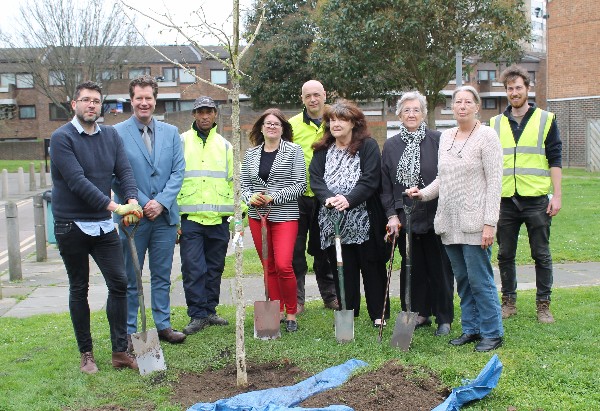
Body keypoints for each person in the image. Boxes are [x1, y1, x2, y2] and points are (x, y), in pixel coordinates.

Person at [50, 81, 141, 373]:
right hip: (71, 225)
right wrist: (116, 207)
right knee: (79, 288)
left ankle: (119, 351)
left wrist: (132, 200)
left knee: (120, 284)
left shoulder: (111, 135)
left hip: (103, 227)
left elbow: (124, 170)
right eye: (86, 100)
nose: (92, 105)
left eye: (96, 101)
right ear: (74, 104)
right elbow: (77, 181)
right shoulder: (61, 138)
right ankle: (86, 354)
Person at [406, 86, 504, 352]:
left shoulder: (487, 137)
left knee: (480, 280)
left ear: (476, 107)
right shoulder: (447, 137)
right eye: (457, 101)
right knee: (462, 280)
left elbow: (495, 184)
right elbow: (442, 179)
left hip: (475, 223)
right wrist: (422, 194)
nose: (461, 106)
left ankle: (492, 332)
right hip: (448, 222)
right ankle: (471, 329)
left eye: (467, 102)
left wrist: (489, 223)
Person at [113, 75, 186, 347]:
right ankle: (132, 332)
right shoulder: (117, 134)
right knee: (131, 277)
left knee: (161, 275)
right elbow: (115, 175)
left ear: (156, 100)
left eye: (148, 98)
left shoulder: (170, 133)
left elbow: (178, 171)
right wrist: (145, 203)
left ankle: (163, 325)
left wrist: (162, 202)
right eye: (138, 98)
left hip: (165, 218)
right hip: (134, 219)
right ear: (131, 100)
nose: (144, 103)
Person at [491, 65, 562, 324]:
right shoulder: (495, 124)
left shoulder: (546, 119)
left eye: (518, 87)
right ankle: (508, 301)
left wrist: (557, 195)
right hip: (506, 199)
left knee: (541, 254)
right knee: (505, 254)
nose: (514, 92)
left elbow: (555, 158)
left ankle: (543, 304)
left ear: (527, 88)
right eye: (509, 89)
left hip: (536, 199)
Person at [309, 100, 389, 326]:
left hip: (364, 220)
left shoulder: (368, 146)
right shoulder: (322, 149)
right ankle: (348, 314)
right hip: (333, 221)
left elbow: (371, 178)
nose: (335, 123)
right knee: (343, 267)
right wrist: (329, 198)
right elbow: (315, 178)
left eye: (341, 119)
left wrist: (348, 199)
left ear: (354, 123)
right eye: (332, 119)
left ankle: (378, 315)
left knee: (372, 267)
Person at [380, 91, 454, 336]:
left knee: (439, 267)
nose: (411, 114)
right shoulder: (391, 146)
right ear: (399, 114)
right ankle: (416, 313)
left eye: (416, 110)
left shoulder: (438, 139)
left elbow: (445, 177)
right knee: (412, 267)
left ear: (423, 113)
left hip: (435, 213)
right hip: (406, 217)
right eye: (406, 110)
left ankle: (444, 317)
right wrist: (392, 215)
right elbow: (386, 186)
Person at [241, 108, 306, 332]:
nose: (271, 127)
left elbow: (300, 185)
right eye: (268, 123)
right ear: (261, 127)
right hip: (258, 217)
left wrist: (273, 197)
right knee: (267, 265)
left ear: (283, 129)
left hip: (284, 215)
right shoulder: (250, 154)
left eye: (276, 124)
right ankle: (275, 309)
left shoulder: (293, 151)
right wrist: (251, 197)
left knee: (283, 265)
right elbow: (243, 186)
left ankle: (291, 311)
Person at [177, 96, 233, 335]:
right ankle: (197, 314)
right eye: (200, 112)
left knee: (215, 268)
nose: (205, 116)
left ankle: (210, 310)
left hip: (218, 220)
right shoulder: (180, 142)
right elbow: (173, 179)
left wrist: (236, 217)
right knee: (193, 268)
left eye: (209, 112)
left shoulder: (225, 146)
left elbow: (234, 183)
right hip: (190, 220)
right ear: (194, 115)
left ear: (215, 114)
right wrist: (174, 218)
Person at [289, 80, 338, 314]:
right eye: (308, 96)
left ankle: (330, 297)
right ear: (302, 98)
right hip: (298, 198)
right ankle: (297, 299)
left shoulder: (335, 121)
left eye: (317, 95)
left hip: (326, 198)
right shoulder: (291, 126)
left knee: (324, 250)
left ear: (324, 95)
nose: (313, 100)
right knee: (295, 251)